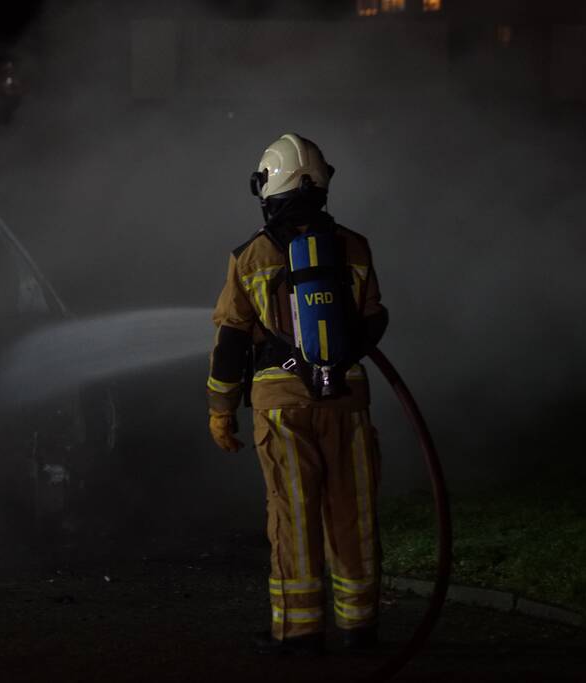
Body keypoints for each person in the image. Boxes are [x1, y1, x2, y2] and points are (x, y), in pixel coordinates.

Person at [206, 133, 389, 655]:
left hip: (281, 408)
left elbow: (230, 343)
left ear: (268, 187)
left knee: (293, 512)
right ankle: (359, 626)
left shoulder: (251, 256)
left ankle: (299, 630)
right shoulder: (355, 247)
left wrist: (221, 411)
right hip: (347, 401)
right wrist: (335, 361)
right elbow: (375, 319)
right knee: (352, 510)